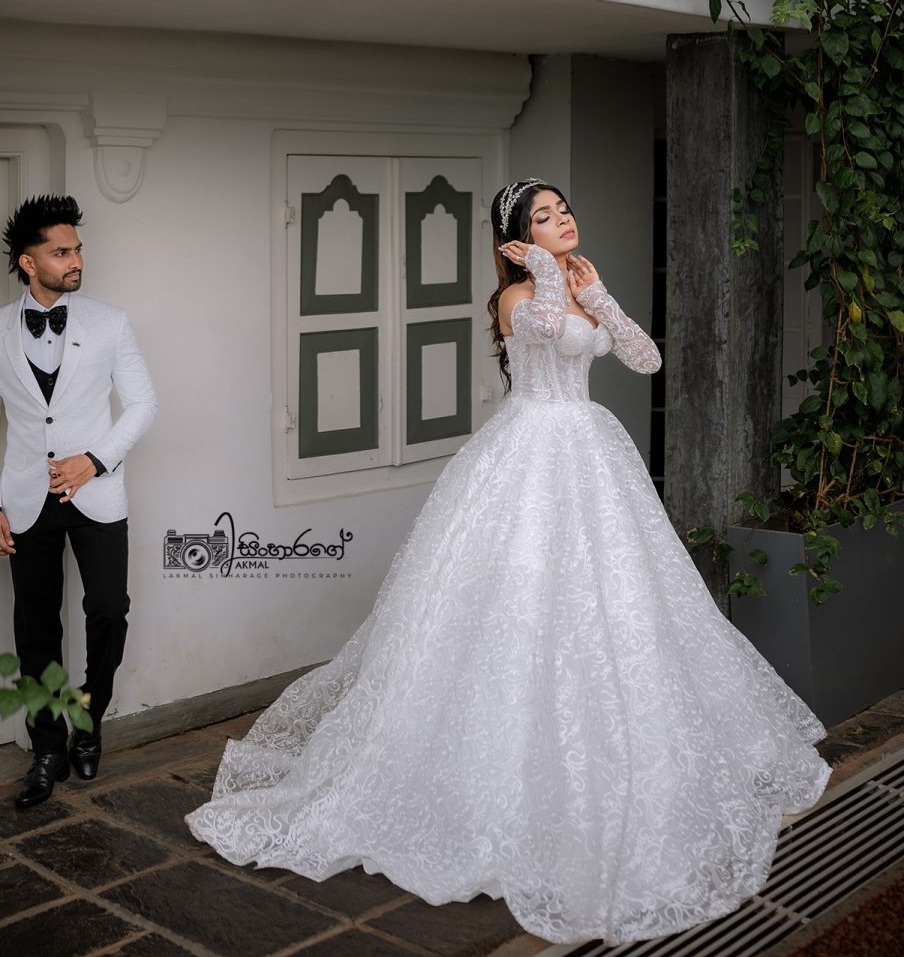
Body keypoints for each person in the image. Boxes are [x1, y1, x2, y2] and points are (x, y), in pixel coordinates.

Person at [186, 180, 830, 943]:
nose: (564, 220)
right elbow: (550, 331)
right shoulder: (515, 298)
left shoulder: (577, 284)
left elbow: (647, 359)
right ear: (518, 240)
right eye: (545, 218)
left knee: (614, 602)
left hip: (589, 449)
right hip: (529, 452)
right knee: (517, 603)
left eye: (565, 210)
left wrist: (601, 294)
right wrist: (552, 276)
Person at [0, 194, 158, 809]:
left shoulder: (110, 322)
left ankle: (89, 719)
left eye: (77, 249)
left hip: (96, 492)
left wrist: (93, 461)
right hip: (25, 500)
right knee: (35, 628)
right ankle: (47, 748)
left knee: (108, 610)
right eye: (61, 252)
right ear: (29, 263)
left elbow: (144, 405)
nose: (76, 260)